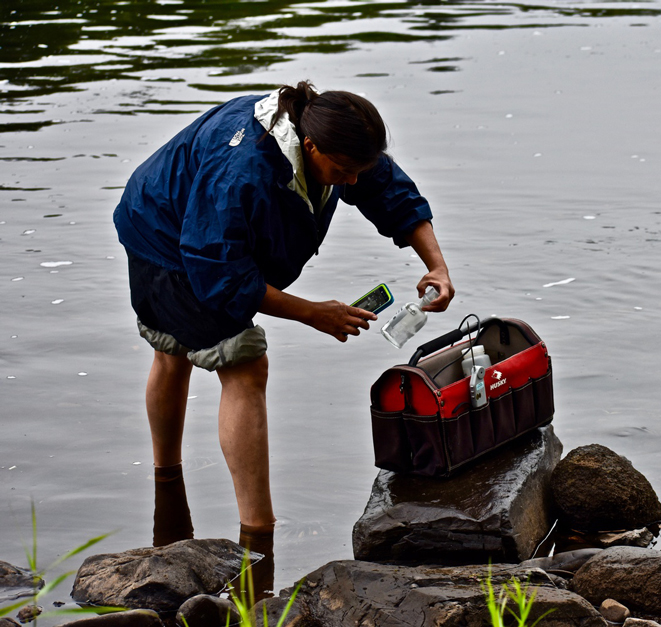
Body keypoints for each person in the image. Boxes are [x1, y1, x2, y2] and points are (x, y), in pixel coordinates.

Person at [113, 81, 455, 558]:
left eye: (359, 170)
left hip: (189, 223)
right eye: (342, 172)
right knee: (245, 365)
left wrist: (434, 264)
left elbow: (389, 191)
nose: (352, 182)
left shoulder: (333, 140)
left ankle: (166, 485)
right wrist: (313, 313)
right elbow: (220, 273)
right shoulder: (244, 171)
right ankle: (259, 535)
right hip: (163, 239)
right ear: (310, 147)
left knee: (172, 351)